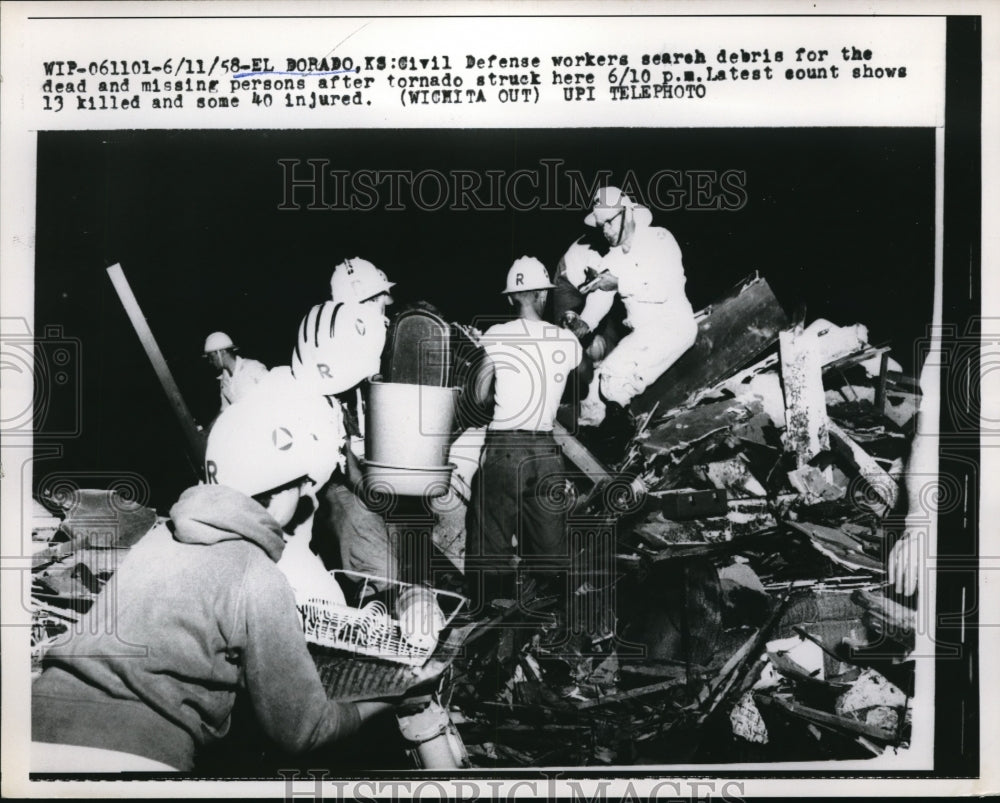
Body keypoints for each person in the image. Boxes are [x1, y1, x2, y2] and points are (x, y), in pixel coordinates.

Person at [31, 389, 391, 773]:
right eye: (301, 484)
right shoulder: (257, 575)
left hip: (33, 732)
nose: (307, 494)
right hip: (132, 758)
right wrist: (394, 695)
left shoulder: (159, 538)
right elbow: (303, 730)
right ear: (283, 488)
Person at [464, 256, 583, 603]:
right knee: (550, 550)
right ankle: (554, 624)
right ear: (544, 296)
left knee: (491, 543)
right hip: (545, 452)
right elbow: (581, 371)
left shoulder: (496, 335)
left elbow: (478, 396)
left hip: (504, 448)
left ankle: (489, 620)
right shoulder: (565, 342)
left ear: (511, 298)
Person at [561, 187, 697, 427]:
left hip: (673, 325)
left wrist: (619, 283)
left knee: (614, 379)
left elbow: (663, 289)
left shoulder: (659, 239)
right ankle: (612, 437)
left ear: (629, 213)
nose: (606, 231)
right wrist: (585, 322)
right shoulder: (612, 259)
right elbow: (601, 297)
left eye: (610, 222)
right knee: (598, 385)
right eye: (601, 225)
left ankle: (621, 431)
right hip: (645, 335)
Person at [290, 297, 398, 584]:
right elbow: (344, 474)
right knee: (383, 568)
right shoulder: (310, 408)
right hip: (323, 495)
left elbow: (348, 459)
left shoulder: (330, 400)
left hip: (332, 486)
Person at [203, 331, 268, 412]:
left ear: (222, 352)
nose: (210, 361)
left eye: (211, 357)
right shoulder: (224, 382)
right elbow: (225, 411)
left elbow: (272, 392)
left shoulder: (252, 367)